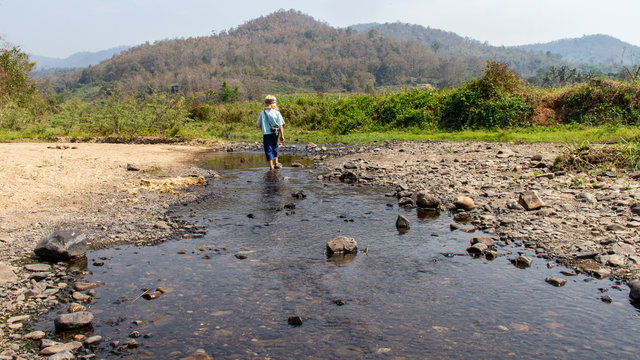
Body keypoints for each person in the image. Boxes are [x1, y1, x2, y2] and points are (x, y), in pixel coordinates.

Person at [257, 94, 285, 170]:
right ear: (274, 103)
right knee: (275, 147)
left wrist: (263, 129)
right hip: (275, 133)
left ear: (265, 103)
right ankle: (276, 163)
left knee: (268, 149)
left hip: (266, 133)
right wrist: (282, 135)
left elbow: (259, 124)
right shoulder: (277, 113)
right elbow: (280, 125)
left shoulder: (263, 113)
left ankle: (271, 166)